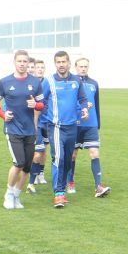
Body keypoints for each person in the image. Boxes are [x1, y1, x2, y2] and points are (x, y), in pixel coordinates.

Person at [0, 50, 45, 209]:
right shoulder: (5, 82)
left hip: (30, 130)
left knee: (27, 167)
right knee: (19, 162)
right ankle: (8, 194)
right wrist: (3, 115)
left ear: (28, 63)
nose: (22, 64)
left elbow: (42, 104)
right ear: (14, 62)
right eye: (19, 61)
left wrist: (35, 105)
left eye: (25, 61)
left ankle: (16, 196)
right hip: (13, 129)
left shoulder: (35, 82)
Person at [42, 50, 89, 208]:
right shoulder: (49, 81)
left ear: (69, 63)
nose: (61, 65)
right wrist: (48, 115)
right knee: (58, 158)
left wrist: (84, 109)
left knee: (68, 160)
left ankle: (61, 188)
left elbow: (83, 99)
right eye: (58, 62)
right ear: (55, 64)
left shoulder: (76, 80)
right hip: (56, 127)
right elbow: (41, 101)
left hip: (72, 127)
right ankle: (58, 193)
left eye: (63, 62)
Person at [67, 57, 111, 197]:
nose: (83, 68)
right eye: (81, 66)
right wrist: (82, 106)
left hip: (91, 125)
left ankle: (98, 186)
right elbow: (67, 103)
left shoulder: (93, 83)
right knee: (73, 155)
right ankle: (70, 181)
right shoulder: (71, 82)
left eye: (85, 66)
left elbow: (96, 104)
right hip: (75, 124)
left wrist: (98, 124)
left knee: (95, 153)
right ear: (75, 67)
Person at [27, 59, 49, 193]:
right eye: (37, 67)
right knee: (38, 151)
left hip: (48, 121)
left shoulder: (48, 82)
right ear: (34, 69)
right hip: (36, 123)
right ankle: (33, 176)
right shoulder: (31, 84)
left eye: (42, 67)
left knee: (44, 150)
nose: (40, 69)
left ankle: (40, 173)